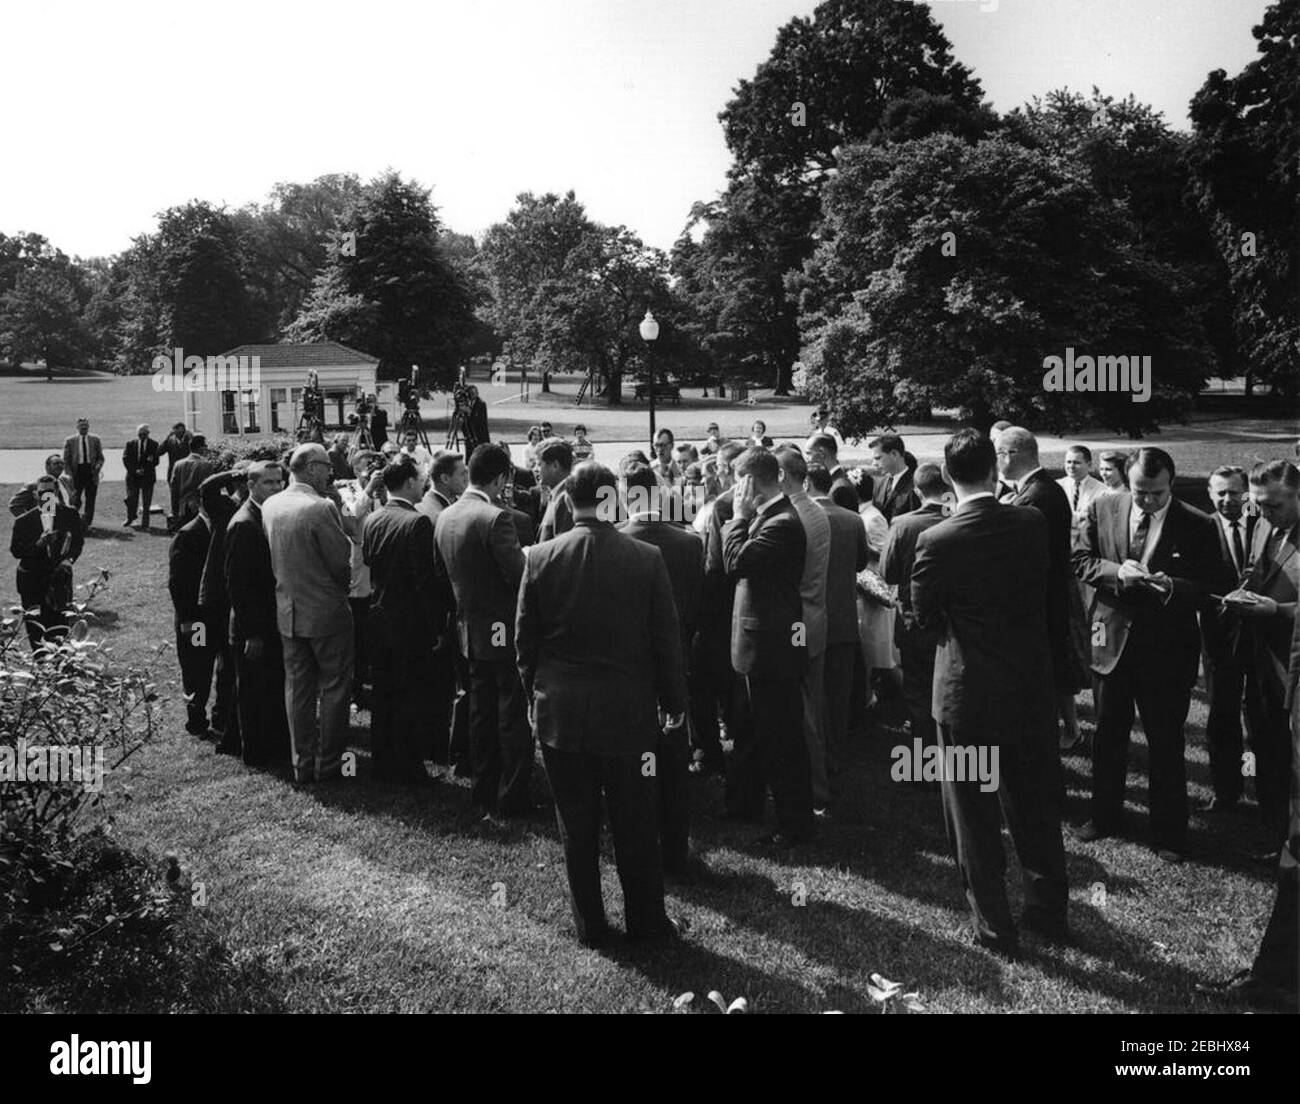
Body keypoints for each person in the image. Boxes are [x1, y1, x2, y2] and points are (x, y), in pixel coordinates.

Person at [517, 461, 687, 946]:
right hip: (627, 713)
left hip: (561, 712)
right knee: (636, 821)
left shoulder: (539, 557)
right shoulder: (646, 557)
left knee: (577, 826)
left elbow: (524, 644)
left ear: (568, 502)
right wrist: (675, 701)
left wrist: (535, 697)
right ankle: (647, 924)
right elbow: (665, 639)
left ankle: (590, 926)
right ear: (611, 501)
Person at [912, 429, 1068, 957]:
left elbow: (923, 616)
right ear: (993, 470)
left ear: (949, 475)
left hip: (967, 693)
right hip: (1026, 687)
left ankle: (996, 928)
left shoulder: (937, 539)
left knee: (974, 818)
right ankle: (1048, 912)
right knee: (1035, 807)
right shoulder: (1031, 521)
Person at [1073, 447, 1228, 861]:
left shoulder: (1198, 524)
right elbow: (1080, 560)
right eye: (1140, 492)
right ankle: (1104, 817)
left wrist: (1175, 587)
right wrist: (1115, 572)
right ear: (1128, 480)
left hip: (1167, 651)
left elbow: (1215, 586)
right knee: (1108, 736)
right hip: (1112, 644)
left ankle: (1169, 835)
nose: (1148, 501)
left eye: (1157, 494)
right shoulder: (1104, 506)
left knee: (1165, 743)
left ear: (1171, 485)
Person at [434, 444, 535, 818]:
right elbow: (520, 577)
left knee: (481, 712)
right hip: (501, 628)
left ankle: (483, 788)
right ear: (500, 479)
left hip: (469, 627)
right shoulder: (496, 518)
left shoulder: (446, 515)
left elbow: (440, 575)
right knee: (510, 713)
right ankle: (511, 795)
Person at [722, 447, 813, 847]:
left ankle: (795, 824)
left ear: (749, 483)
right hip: (759, 645)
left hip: (773, 649)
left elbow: (736, 562)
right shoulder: (772, 516)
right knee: (753, 731)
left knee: (782, 739)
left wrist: (739, 518)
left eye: (734, 481)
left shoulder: (782, 522)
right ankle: (746, 804)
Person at [619, 462, 704, 876]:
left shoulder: (616, 541)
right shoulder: (689, 543)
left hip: (630, 663)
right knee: (673, 749)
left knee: (637, 752)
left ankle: (643, 829)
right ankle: (673, 836)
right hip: (677, 654)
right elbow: (699, 605)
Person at [261, 444, 355, 785]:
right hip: (327, 611)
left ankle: (302, 763)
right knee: (334, 687)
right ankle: (330, 765)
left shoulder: (271, 504)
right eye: (327, 467)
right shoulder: (321, 507)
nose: (331, 473)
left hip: (289, 610)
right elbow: (340, 561)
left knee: (298, 690)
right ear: (313, 468)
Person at [999, 427, 1088, 751]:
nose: (996, 462)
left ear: (1011, 455)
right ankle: (1064, 731)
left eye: (999, 453)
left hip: (1043, 600)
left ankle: (1046, 736)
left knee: (1045, 671)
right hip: (1050, 596)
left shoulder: (1035, 496)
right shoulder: (1043, 489)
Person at [1224, 460, 1299, 842]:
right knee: (1265, 743)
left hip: (1294, 663)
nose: (1264, 514)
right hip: (1261, 658)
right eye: (1259, 505)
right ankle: (1273, 826)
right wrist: (1244, 589)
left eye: (1274, 506)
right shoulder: (1264, 523)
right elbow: (1254, 568)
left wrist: (1277, 611)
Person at [362, 457, 447, 784]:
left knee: (384, 696)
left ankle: (383, 763)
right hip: (410, 622)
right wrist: (438, 627)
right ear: (410, 482)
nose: (424, 482)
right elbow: (424, 581)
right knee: (411, 695)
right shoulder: (417, 522)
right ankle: (410, 767)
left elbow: (370, 559)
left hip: (379, 615)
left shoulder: (374, 518)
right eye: (421, 478)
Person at [775, 447, 831, 812]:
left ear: (783, 476)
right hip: (815, 616)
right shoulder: (816, 509)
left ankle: (815, 790)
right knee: (811, 704)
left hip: (798, 621)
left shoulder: (793, 514)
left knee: (802, 712)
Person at [881, 463, 950, 759]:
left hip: (913, 618)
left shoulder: (903, 523)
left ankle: (926, 766)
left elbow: (888, 572)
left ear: (918, 492)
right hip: (951, 618)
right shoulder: (957, 519)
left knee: (919, 693)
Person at [223, 461, 290, 768]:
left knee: (269, 686)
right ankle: (256, 752)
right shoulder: (244, 524)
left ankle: (271, 743)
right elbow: (238, 586)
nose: (277, 488)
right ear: (251, 486)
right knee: (252, 691)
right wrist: (252, 633)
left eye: (279, 482)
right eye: (269, 483)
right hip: (254, 626)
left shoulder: (268, 515)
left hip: (271, 619)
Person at [808, 463, 870, 792]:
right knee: (838, 692)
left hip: (809, 621)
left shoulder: (800, 518)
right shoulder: (853, 520)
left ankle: (818, 760)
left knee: (814, 697)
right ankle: (837, 756)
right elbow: (861, 563)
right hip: (844, 616)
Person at [1199, 466, 1257, 812]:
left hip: (1261, 634)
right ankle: (1226, 791)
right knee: (1222, 714)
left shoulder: (1262, 525)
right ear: (1209, 493)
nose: (1227, 499)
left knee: (1263, 714)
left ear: (1245, 493)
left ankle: (1267, 787)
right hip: (1218, 636)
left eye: (1234, 492)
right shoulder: (1200, 530)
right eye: (1220, 492)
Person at [692, 441, 746, 775]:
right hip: (745, 610)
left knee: (703, 686)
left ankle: (709, 751)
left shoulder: (722, 507)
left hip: (717, 610)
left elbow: (713, 568)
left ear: (726, 470)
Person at [198, 466, 250, 756]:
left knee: (231, 659)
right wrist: (233, 472)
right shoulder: (226, 509)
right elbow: (205, 488)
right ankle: (220, 713)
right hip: (219, 596)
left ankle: (226, 710)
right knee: (222, 658)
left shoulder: (247, 507)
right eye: (241, 485)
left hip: (234, 594)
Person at [10, 476, 84, 649]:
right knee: (35, 627)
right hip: (32, 580)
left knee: (59, 624)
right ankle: (40, 665)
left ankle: (59, 666)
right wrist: (38, 545)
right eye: (42, 492)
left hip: (59, 579)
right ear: (35, 495)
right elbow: (16, 551)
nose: (46, 496)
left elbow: (77, 543)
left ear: (56, 492)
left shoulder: (69, 515)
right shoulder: (24, 521)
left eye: (50, 492)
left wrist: (68, 560)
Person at [339, 451, 386, 711]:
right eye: (365, 465)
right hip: (357, 574)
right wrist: (368, 490)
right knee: (355, 640)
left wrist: (382, 494)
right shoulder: (345, 491)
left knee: (373, 639)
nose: (370, 469)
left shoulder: (381, 492)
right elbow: (352, 517)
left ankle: (370, 684)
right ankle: (354, 691)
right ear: (355, 468)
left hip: (377, 575)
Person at [168, 507, 216, 736]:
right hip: (195, 620)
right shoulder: (188, 534)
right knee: (196, 665)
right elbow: (178, 584)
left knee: (209, 665)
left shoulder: (218, 528)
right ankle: (195, 716)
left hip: (212, 616)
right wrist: (189, 622)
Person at [855, 473, 895, 710]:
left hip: (876, 588)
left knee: (881, 653)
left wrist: (862, 546)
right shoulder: (862, 515)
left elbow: (884, 556)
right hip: (864, 588)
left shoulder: (872, 519)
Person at [62, 417, 104, 530]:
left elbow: (100, 457)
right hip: (77, 473)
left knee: (91, 499)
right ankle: (74, 521)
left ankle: (87, 523)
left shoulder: (95, 439)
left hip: (91, 472)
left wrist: (98, 467)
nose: (84, 429)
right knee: (75, 499)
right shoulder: (70, 441)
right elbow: (66, 460)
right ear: (77, 427)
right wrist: (69, 475)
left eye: (86, 426)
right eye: (81, 427)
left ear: (88, 427)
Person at [1057, 445, 1105, 538]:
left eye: (1076, 463)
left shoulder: (1101, 490)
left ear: (1089, 464)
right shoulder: (1057, 486)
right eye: (1068, 462)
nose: (1071, 466)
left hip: (1088, 540)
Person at [869, 434, 918, 521]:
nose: (874, 464)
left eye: (878, 458)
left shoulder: (915, 486)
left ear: (894, 454)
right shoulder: (881, 483)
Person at [536, 438, 576, 542]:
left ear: (555, 466)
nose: (536, 469)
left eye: (540, 464)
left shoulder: (565, 499)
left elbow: (561, 549)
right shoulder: (556, 494)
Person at [170, 436, 215, 529]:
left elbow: (174, 489)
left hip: (182, 507)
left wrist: (175, 511)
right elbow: (208, 489)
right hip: (198, 507)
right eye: (205, 446)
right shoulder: (206, 465)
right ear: (201, 448)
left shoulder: (178, 464)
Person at [122, 424, 160, 529]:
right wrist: (135, 470)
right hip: (133, 477)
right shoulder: (130, 444)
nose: (142, 436)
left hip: (147, 477)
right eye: (140, 434)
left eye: (145, 434)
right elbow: (126, 459)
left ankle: (145, 523)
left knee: (147, 502)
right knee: (131, 499)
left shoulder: (154, 445)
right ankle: (130, 518)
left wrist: (145, 469)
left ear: (148, 434)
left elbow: (156, 461)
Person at [805, 433, 857, 512]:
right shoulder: (836, 480)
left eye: (809, 453)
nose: (806, 459)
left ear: (822, 453)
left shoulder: (840, 488)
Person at [9, 455, 75, 516]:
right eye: (56, 463)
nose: (60, 466)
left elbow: (72, 500)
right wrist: (28, 520)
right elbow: (14, 504)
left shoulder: (66, 481)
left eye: (62, 463)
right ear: (47, 467)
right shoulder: (34, 485)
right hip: (47, 522)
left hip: (67, 522)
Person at [418, 449, 468, 526]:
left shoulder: (423, 504)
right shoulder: (441, 517)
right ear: (445, 479)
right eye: (462, 474)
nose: (466, 478)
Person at [159, 423, 192, 529]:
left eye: (183, 431)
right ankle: (176, 522)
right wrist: (167, 437)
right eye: (178, 431)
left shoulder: (189, 440)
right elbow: (159, 452)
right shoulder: (170, 441)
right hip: (173, 474)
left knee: (187, 497)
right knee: (174, 498)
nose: (181, 433)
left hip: (186, 474)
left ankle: (186, 521)